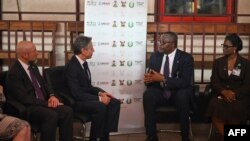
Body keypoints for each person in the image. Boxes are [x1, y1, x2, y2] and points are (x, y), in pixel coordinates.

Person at [6, 41, 73, 141]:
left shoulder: (33, 66)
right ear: (25, 55)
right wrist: (47, 104)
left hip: (42, 102)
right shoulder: (14, 73)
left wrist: (51, 96)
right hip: (28, 107)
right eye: (34, 50)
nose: (37, 53)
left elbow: (44, 84)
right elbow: (24, 98)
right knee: (51, 115)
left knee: (67, 111)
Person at [64, 36, 121, 141]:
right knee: (101, 106)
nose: (93, 50)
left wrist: (100, 93)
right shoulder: (72, 67)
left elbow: (88, 86)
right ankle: (94, 138)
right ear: (83, 51)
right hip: (76, 102)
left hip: (85, 97)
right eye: (91, 48)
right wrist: (99, 99)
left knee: (114, 102)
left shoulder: (83, 63)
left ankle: (104, 136)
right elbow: (76, 94)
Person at [143, 32, 194, 141]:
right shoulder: (155, 56)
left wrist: (164, 79)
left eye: (163, 43)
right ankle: (151, 135)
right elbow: (152, 75)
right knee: (148, 95)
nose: (159, 45)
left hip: (178, 92)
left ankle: (185, 136)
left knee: (183, 96)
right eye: (159, 42)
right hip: (160, 90)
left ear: (173, 44)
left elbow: (185, 82)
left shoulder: (186, 58)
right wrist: (148, 79)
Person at [206, 33, 250, 140]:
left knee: (236, 109)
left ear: (235, 48)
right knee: (215, 106)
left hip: (238, 96)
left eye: (226, 46)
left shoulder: (245, 64)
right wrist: (224, 92)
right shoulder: (218, 62)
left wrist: (234, 94)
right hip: (221, 94)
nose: (223, 48)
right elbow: (214, 81)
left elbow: (248, 84)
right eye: (223, 45)